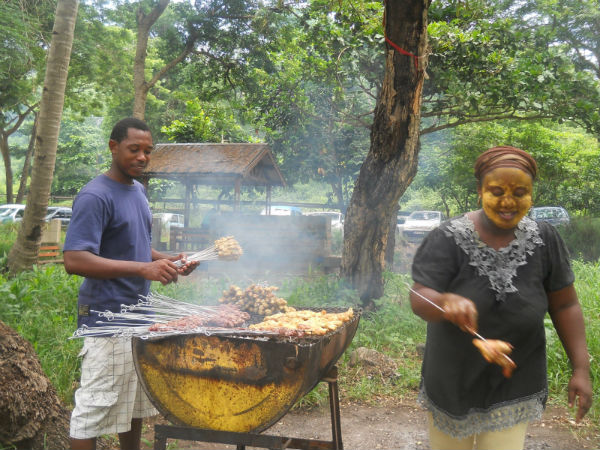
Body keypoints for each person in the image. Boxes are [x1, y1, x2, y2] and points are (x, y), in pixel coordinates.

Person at [409, 146, 592, 450]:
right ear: (479, 190)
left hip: (516, 378)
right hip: (453, 377)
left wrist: (581, 369)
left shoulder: (545, 239)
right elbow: (418, 296)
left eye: (520, 192)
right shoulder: (447, 237)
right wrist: (444, 303)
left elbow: (565, 304)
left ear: (532, 193)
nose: (508, 201)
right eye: (496, 191)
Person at [64, 117, 199, 450]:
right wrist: (142, 270)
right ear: (113, 147)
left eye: (148, 151)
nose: (142, 157)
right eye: (134, 149)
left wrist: (165, 259)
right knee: (93, 410)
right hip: (106, 317)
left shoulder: (137, 190)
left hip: (139, 315)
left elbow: (135, 245)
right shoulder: (95, 196)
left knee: (135, 405)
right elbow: (75, 259)